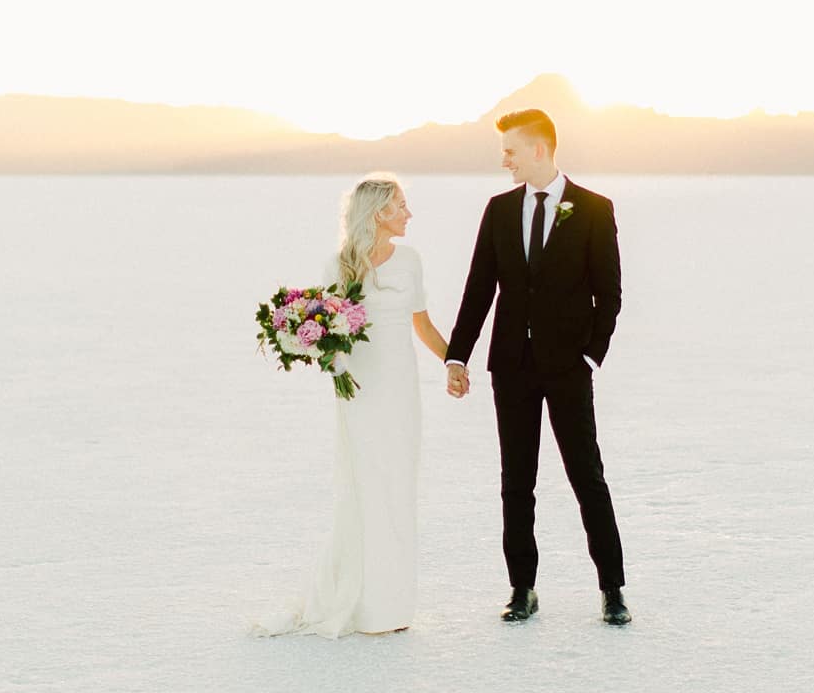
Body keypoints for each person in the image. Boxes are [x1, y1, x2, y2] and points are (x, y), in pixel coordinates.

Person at [445, 109, 631, 625]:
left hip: (569, 367)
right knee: (516, 480)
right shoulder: (499, 210)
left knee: (586, 476)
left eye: (510, 150)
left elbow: (609, 294)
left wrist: (591, 354)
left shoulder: (594, 208)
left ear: (539, 150)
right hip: (512, 366)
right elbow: (479, 288)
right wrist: (457, 354)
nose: (503, 159)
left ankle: (612, 589)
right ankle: (522, 588)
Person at [254, 174, 451, 637]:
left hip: (400, 387)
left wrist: (454, 362)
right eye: (401, 205)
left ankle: (391, 602)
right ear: (378, 212)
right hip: (358, 388)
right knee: (364, 486)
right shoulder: (338, 267)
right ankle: (360, 601)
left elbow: (421, 325)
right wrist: (314, 347)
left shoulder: (410, 262)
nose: (408, 214)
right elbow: (330, 329)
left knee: (398, 484)